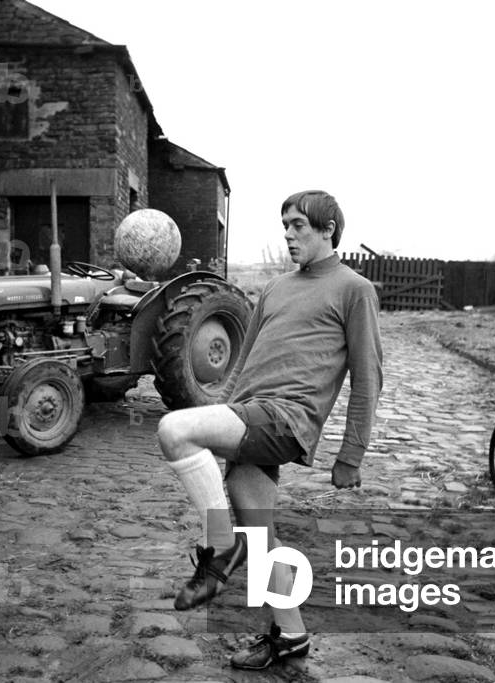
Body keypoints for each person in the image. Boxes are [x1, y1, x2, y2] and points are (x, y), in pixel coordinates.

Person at [156, 190, 383, 670]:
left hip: (287, 419)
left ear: (328, 229)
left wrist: (351, 454)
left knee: (175, 430)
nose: (288, 234)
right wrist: (227, 411)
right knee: (261, 538)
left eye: (299, 225)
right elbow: (244, 363)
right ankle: (291, 636)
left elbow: (368, 375)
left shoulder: (354, 289)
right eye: (285, 225)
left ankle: (220, 544)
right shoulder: (276, 288)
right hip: (250, 415)